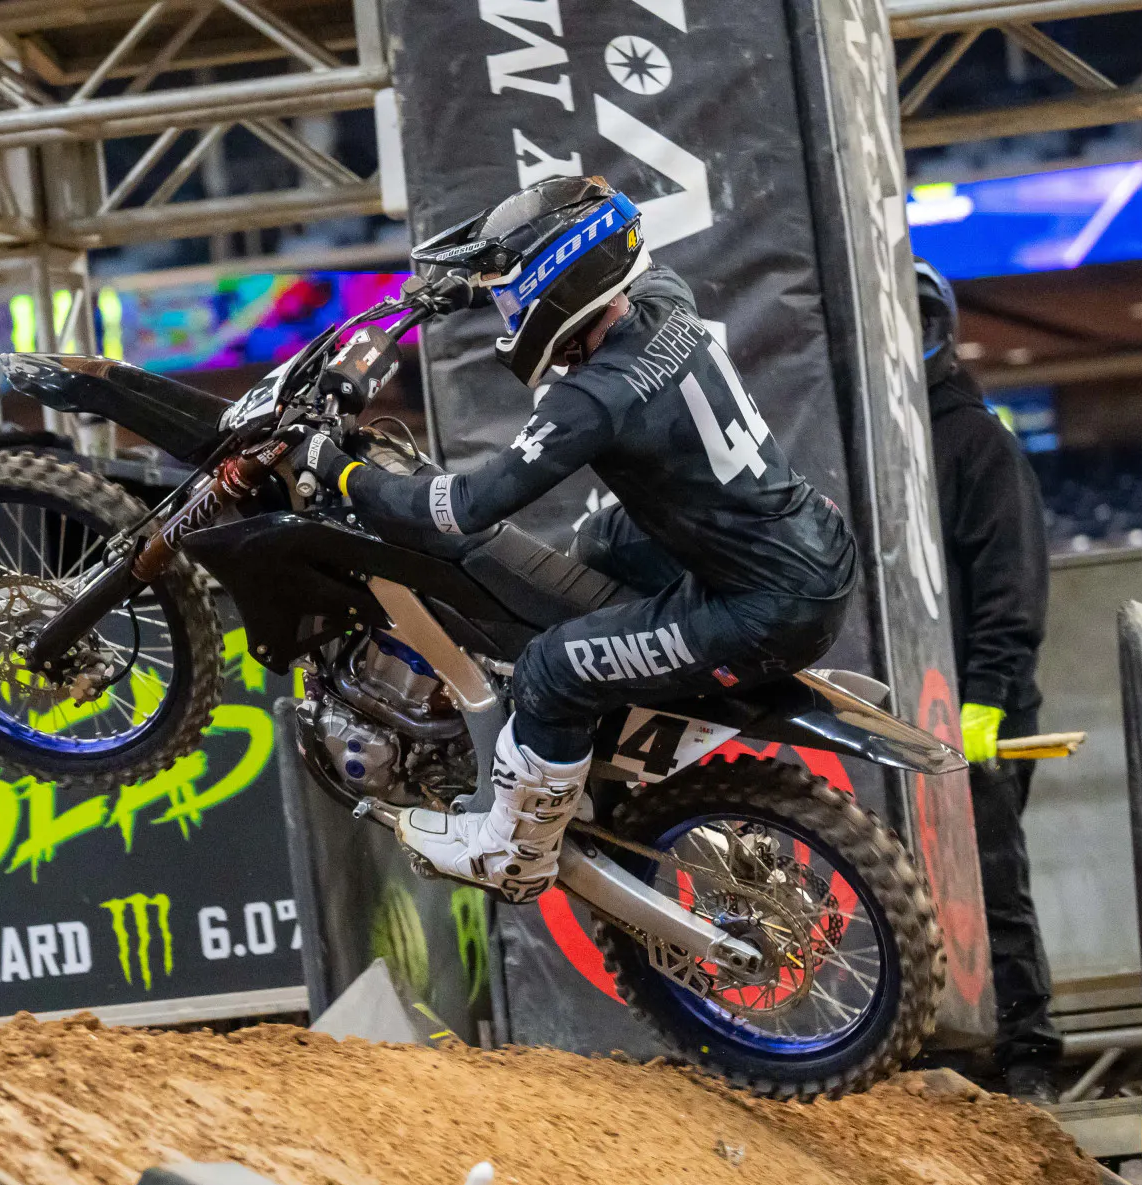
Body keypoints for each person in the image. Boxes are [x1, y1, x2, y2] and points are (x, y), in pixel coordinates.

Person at [292, 177, 857, 902]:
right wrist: (460, 292)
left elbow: (465, 505)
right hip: (798, 546)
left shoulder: (595, 397)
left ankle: (514, 851)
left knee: (552, 667)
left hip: (767, 606)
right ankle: (586, 759)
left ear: (561, 291)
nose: (509, 310)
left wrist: (340, 476)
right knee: (598, 544)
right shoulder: (661, 298)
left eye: (514, 295)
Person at [916, 259, 1065, 1099]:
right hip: (899, 709)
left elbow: (1012, 588)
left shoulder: (978, 444)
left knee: (989, 880)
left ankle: (1027, 1052)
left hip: (980, 707)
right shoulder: (862, 448)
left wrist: (985, 704)